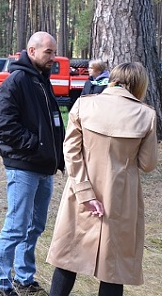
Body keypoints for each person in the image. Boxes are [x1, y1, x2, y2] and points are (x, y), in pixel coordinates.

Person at [46, 62, 158, 296]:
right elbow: (148, 164)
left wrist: (85, 192)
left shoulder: (84, 105)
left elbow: (71, 153)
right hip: (121, 197)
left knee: (68, 258)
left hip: (81, 190)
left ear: (112, 78)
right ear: (140, 84)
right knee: (114, 268)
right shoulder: (146, 115)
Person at [0, 31, 65, 296]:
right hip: (23, 167)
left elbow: (51, 123)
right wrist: (36, 145)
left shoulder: (42, 80)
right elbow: (2, 124)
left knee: (35, 226)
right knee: (16, 226)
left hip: (44, 167)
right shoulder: (18, 80)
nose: (53, 57)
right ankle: (1, 285)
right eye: (48, 52)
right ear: (31, 51)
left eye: (54, 52)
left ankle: (24, 278)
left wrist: (56, 155)